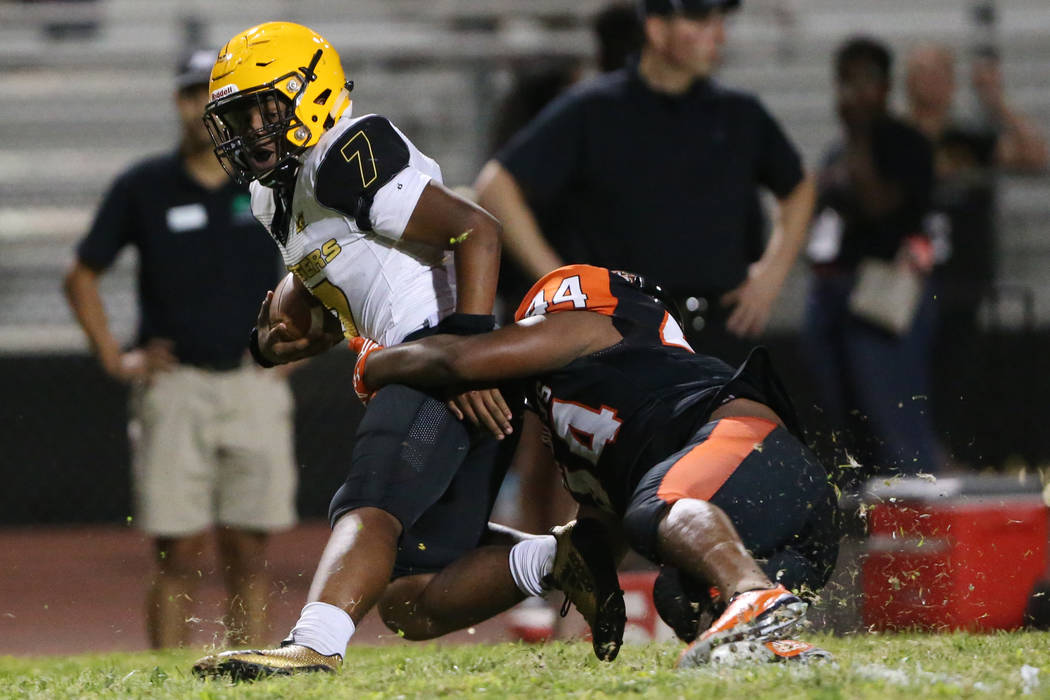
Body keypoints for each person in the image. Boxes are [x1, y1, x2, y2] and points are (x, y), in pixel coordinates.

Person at [189, 22, 620, 681]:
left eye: (262, 107)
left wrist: (470, 351)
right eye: (237, 115)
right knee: (410, 598)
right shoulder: (273, 195)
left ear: (312, 94)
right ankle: (566, 558)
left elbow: (477, 230)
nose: (249, 128)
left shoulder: (346, 149)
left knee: (369, 506)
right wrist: (283, 334)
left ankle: (314, 644)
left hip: (445, 354)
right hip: (441, 358)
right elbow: (344, 297)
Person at [352, 264, 841, 666]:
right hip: (787, 513)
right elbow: (587, 550)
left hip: (744, 446)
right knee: (681, 597)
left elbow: (458, 359)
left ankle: (752, 593)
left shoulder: (589, 324)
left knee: (653, 508)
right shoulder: (590, 431)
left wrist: (372, 361)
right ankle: (778, 649)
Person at [62, 48, 297, 648]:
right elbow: (81, 273)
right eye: (195, 95)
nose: (203, 108)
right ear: (179, 102)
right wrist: (116, 357)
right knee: (178, 554)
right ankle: (169, 683)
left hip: (252, 382)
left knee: (250, 550)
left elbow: (323, 263)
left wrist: (300, 345)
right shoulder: (145, 186)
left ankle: (253, 679)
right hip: (176, 387)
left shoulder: (270, 178)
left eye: (215, 96)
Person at [475, 0, 815, 368]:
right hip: (625, 338)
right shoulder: (594, 109)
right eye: (701, 20)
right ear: (657, 28)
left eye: (721, 21)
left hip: (722, 335)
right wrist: (565, 289)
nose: (718, 34)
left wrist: (772, 274)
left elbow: (798, 187)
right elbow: (497, 186)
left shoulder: (740, 114)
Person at [801, 36, 939, 481]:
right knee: (849, 421)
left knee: (893, 416)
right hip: (833, 293)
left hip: (883, 297)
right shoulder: (837, 151)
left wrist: (860, 136)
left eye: (866, 82)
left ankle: (921, 527)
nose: (855, 94)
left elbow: (880, 203)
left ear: (886, 86)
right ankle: (875, 520)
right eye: (846, 83)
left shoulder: (905, 143)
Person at [904, 42, 1048, 467]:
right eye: (921, 73)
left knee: (957, 379)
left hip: (963, 285)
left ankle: (951, 462)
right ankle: (916, 461)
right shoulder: (894, 136)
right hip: (905, 288)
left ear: (951, 83)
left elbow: (1034, 155)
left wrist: (994, 100)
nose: (930, 83)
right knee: (906, 381)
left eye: (938, 73)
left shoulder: (969, 138)